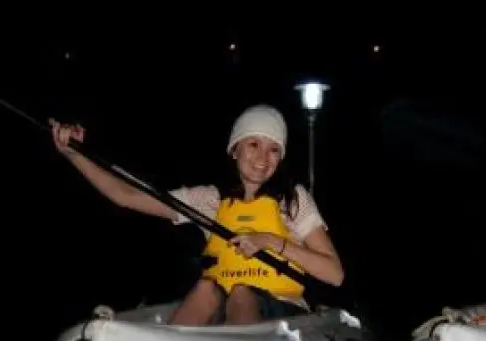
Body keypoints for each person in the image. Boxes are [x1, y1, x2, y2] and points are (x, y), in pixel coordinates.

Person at [50, 104, 344, 326]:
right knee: (206, 287)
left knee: (241, 292)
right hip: (221, 311)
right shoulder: (210, 200)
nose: (263, 158)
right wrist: (75, 154)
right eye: (253, 144)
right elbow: (125, 196)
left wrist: (272, 241)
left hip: (282, 315)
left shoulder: (293, 200)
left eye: (274, 150)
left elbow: (334, 274)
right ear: (235, 149)